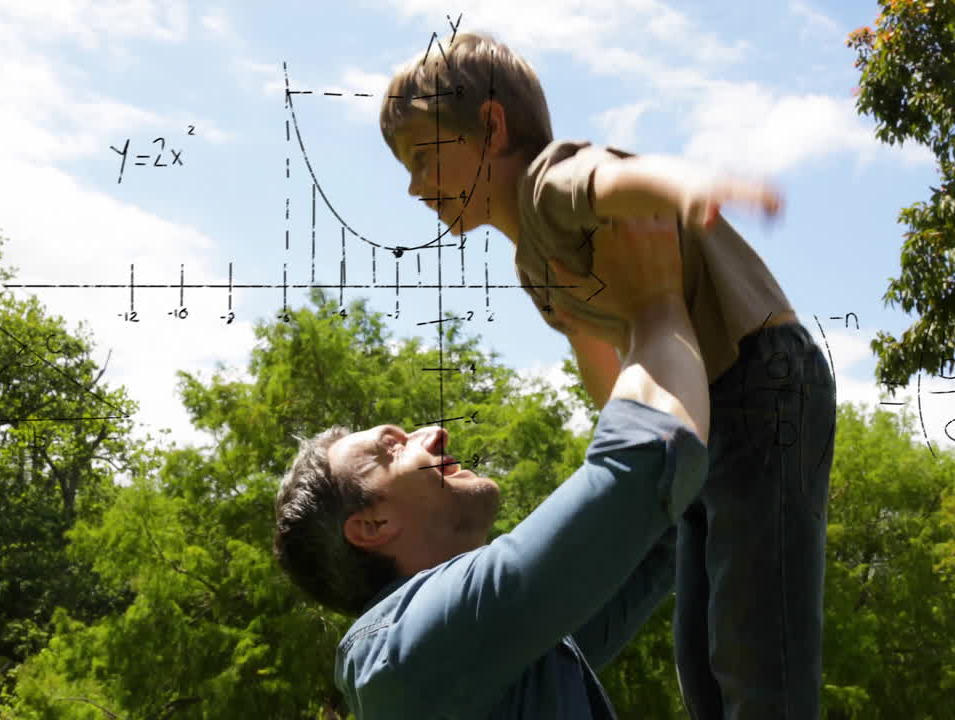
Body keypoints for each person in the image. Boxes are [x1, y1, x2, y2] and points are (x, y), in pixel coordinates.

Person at [378, 31, 836, 719]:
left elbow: (609, 181)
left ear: (491, 126)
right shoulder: (531, 266)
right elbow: (605, 369)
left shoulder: (545, 182)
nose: (414, 186)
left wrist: (690, 185)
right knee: (704, 656)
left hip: (759, 381)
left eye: (423, 157)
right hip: (703, 425)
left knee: (756, 638)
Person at [275, 216, 711, 718]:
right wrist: (656, 296)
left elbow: (651, 532)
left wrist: (581, 325)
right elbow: (642, 466)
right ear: (371, 525)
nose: (434, 433)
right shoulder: (407, 653)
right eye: (392, 448)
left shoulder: (488, 655)